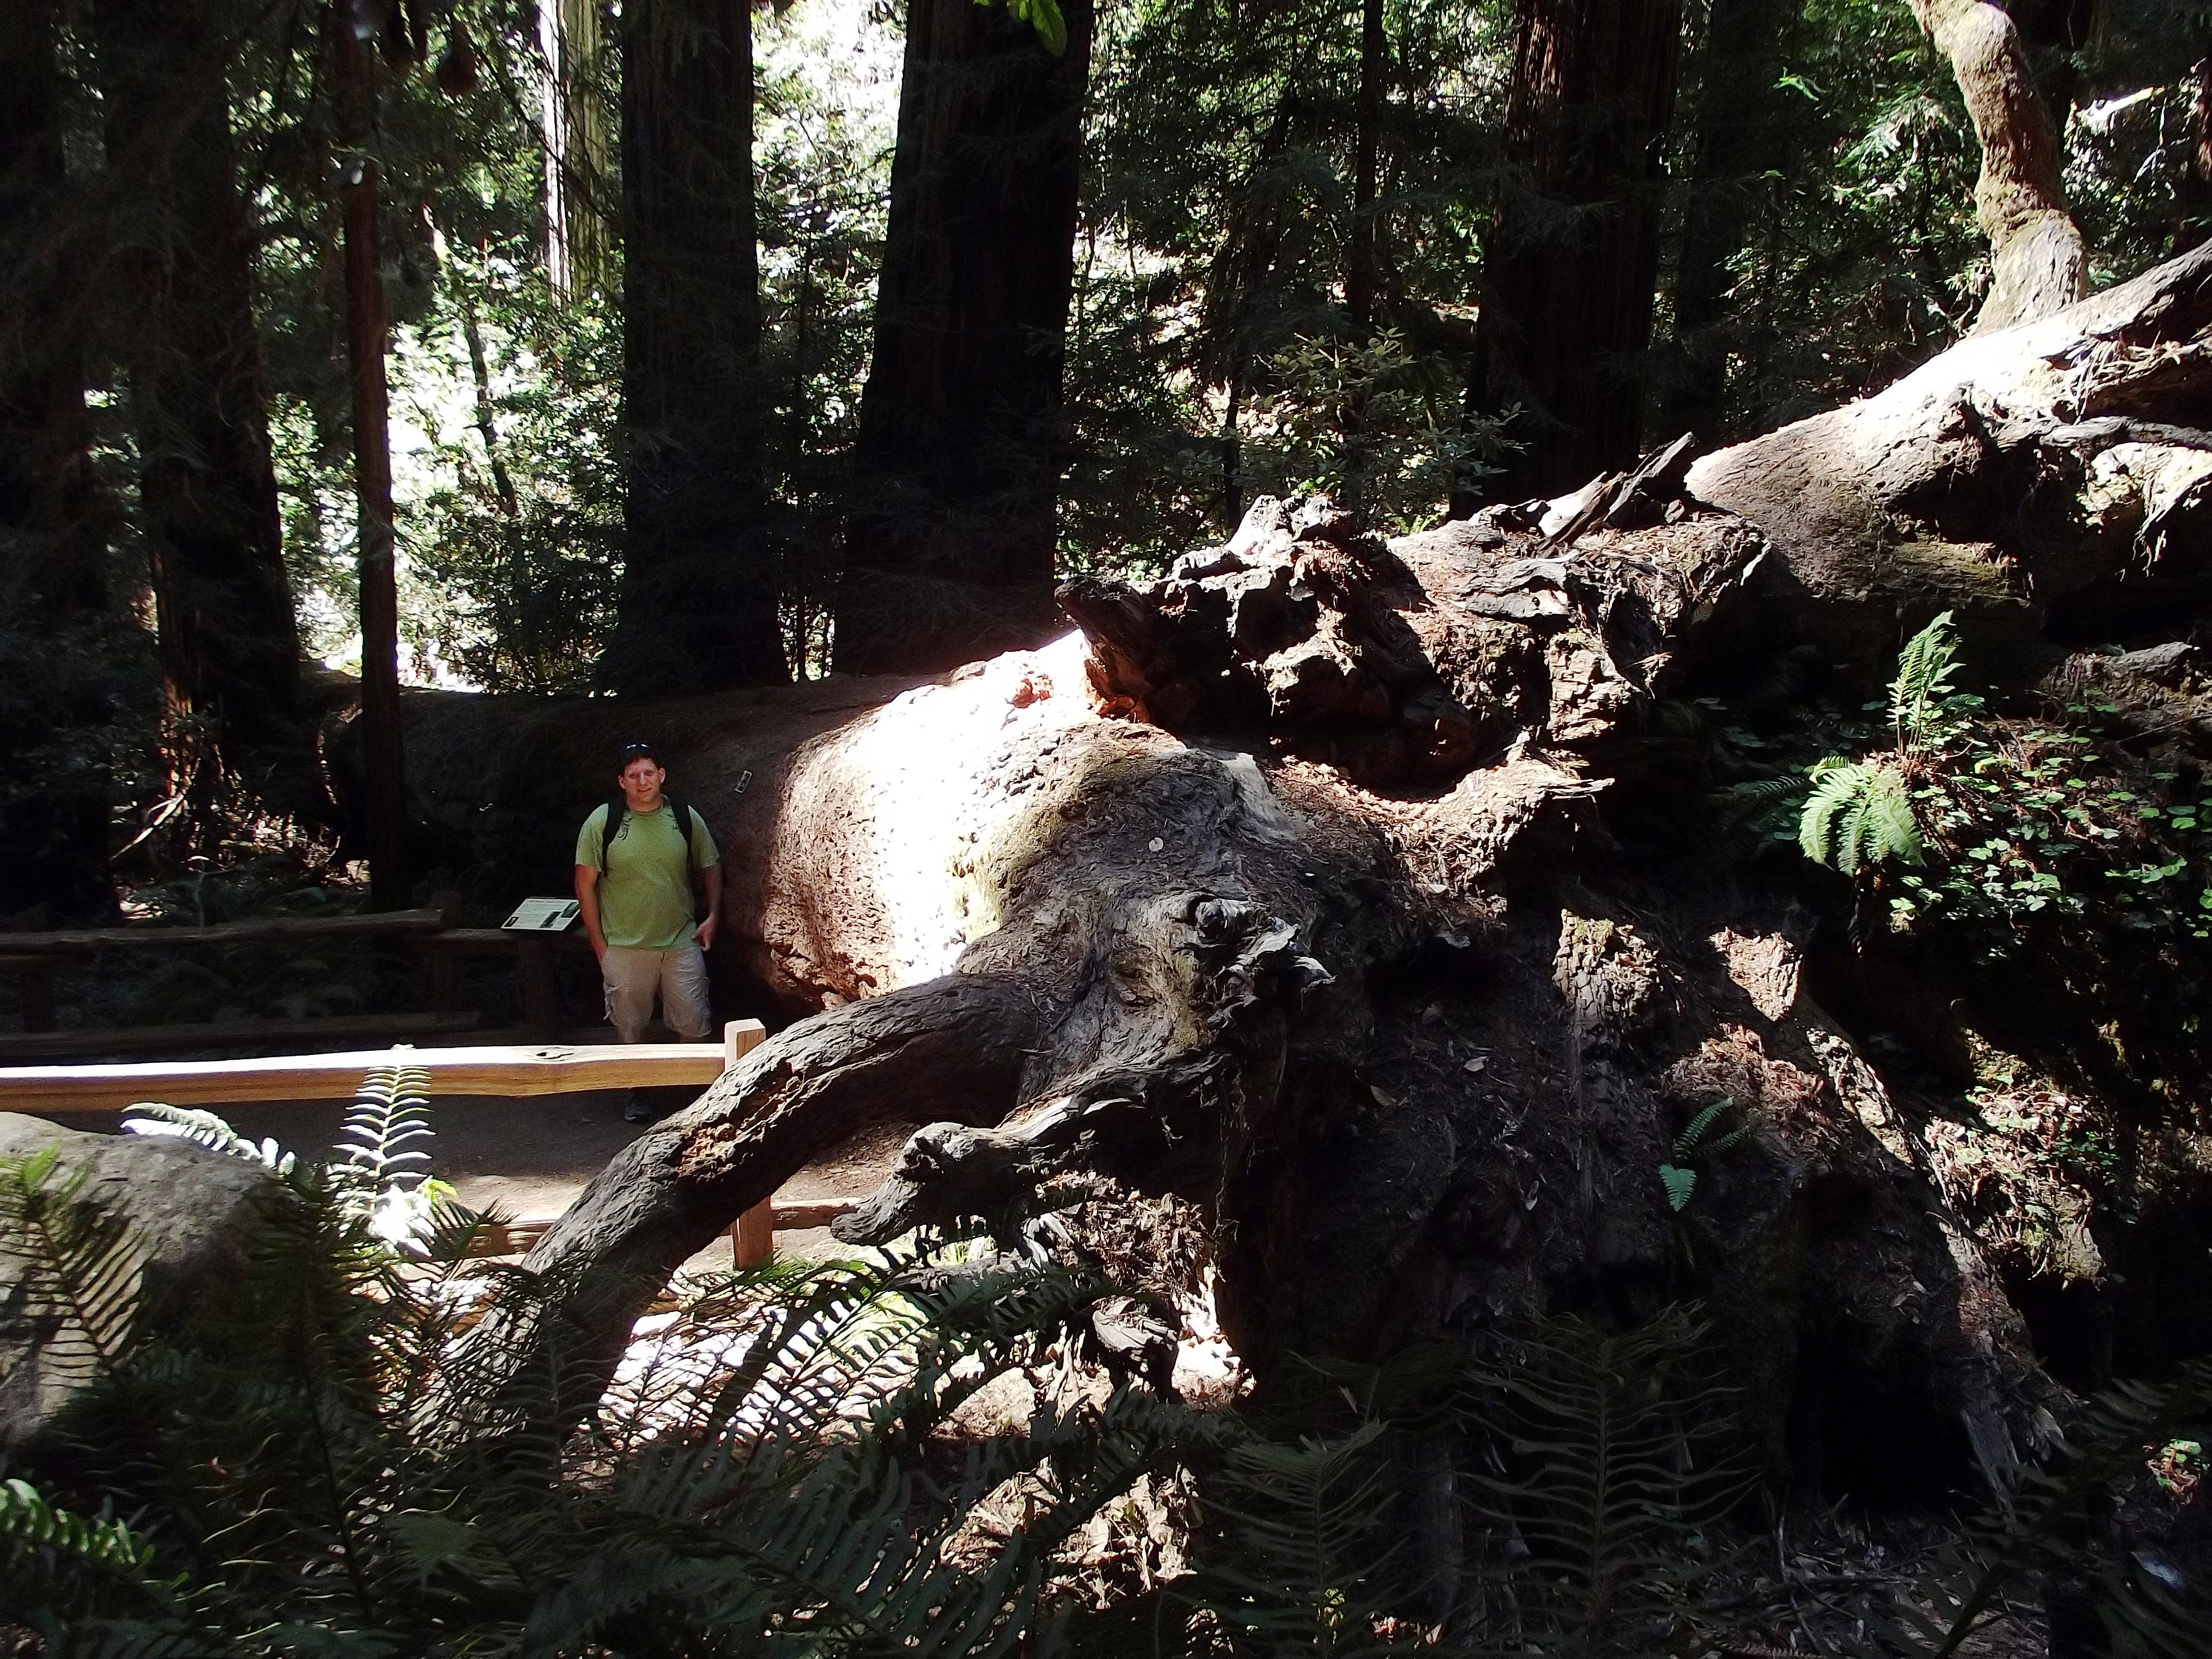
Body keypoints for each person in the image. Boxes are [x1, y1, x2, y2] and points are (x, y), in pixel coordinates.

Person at [575, 741, 722, 1121]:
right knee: (630, 1024)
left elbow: (710, 865)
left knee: (693, 1019)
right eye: (634, 775)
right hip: (623, 944)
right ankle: (637, 1089)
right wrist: (600, 945)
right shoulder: (603, 822)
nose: (642, 782)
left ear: (662, 776)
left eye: (649, 773)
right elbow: (585, 885)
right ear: (622, 782)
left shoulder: (684, 817)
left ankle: (693, 1092)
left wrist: (713, 915)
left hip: (681, 939)